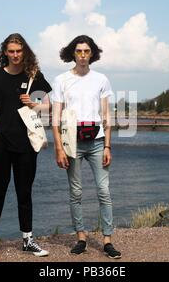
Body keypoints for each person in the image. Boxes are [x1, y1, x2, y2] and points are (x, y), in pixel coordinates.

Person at [0, 33, 52, 259]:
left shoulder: (34, 77)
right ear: (5, 53)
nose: (16, 55)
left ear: (25, 52)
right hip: (0, 144)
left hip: (27, 144)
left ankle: (28, 240)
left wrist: (33, 103)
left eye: (19, 51)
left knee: (24, 193)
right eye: (11, 51)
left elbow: (47, 106)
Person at [51, 35, 122, 259]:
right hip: (71, 142)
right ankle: (81, 237)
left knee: (104, 191)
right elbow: (56, 116)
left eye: (87, 51)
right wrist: (58, 148)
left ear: (92, 54)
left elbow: (106, 115)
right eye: (79, 51)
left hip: (97, 141)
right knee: (76, 192)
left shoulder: (101, 79)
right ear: (73, 53)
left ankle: (108, 240)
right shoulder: (61, 80)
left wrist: (108, 145)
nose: (82, 55)